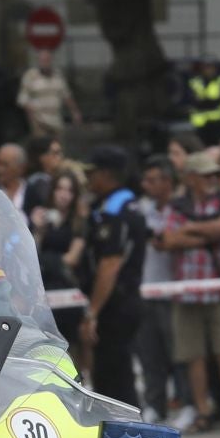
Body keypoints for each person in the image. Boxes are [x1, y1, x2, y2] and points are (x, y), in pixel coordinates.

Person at [156, 151, 220, 431]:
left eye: (213, 175)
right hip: (186, 291)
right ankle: (203, 411)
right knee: (194, 356)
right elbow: (168, 239)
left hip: (218, 290)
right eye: (205, 175)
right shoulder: (177, 205)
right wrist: (208, 231)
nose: (211, 180)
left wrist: (192, 228)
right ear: (190, 178)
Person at [82, 146, 148, 407]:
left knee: (116, 378)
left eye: (92, 173)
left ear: (107, 174)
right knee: (110, 373)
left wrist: (93, 312)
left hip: (116, 304)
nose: (89, 179)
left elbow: (110, 263)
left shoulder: (116, 211)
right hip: (122, 300)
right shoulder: (122, 205)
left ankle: (128, 436)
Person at [134, 157, 192, 425]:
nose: (147, 185)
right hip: (147, 290)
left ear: (168, 182)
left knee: (179, 353)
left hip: (174, 291)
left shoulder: (180, 210)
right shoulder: (142, 210)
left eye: (153, 180)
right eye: (145, 180)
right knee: (150, 354)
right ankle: (155, 404)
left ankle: (188, 403)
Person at [34, 167, 91, 375]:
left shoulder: (78, 221)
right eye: (59, 189)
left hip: (69, 292)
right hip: (45, 291)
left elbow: (72, 259)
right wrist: (38, 229)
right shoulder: (44, 218)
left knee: (73, 346)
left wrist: (47, 260)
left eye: (69, 190)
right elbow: (32, 253)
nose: (63, 194)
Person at [17, 48, 80, 140]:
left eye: (47, 60)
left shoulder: (58, 75)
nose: (45, 62)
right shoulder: (31, 76)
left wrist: (75, 112)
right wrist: (31, 116)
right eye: (42, 60)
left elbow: (66, 95)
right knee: (43, 148)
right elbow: (23, 99)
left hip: (56, 119)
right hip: (39, 119)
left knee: (57, 148)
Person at [185, 56, 220, 141]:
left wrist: (205, 100)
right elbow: (192, 99)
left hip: (218, 121)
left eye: (210, 67)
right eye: (205, 67)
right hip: (201, 122)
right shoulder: (195, 81)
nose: (208, 70)